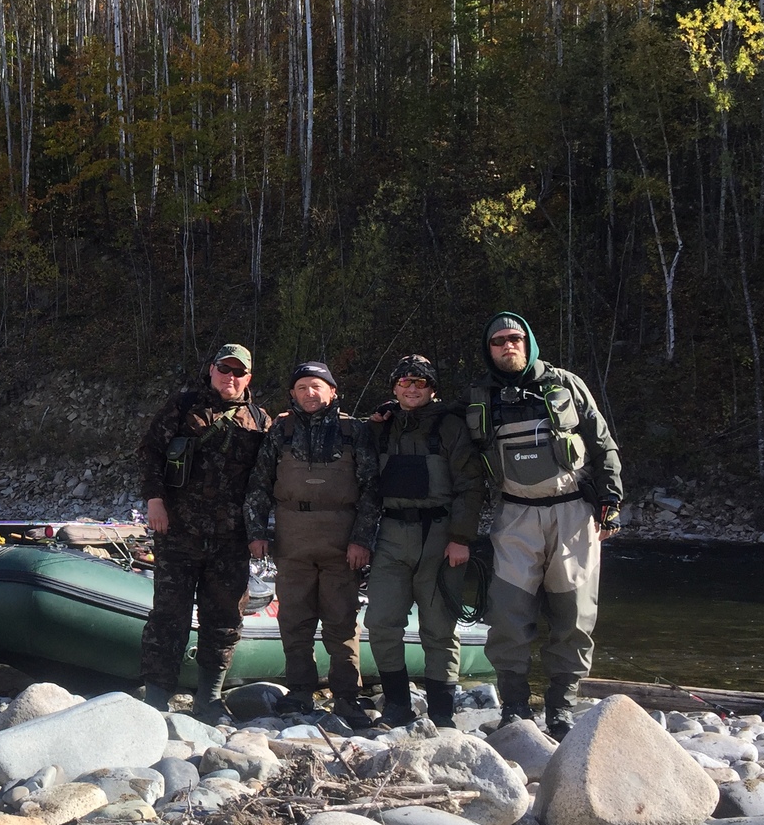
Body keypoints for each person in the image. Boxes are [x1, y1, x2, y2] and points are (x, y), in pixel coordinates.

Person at [468, 313, 622, 738]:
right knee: (508, 616)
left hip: (574, 512)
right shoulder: (477, 396)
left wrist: (611, 501)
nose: (507, 346)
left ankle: (562, 706)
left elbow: (602, 441)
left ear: (528, 342)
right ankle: (515, 706)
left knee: (573, 615)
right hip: (514, 514)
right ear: (489, 348)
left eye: (514, 338)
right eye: (498, 341)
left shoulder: (566, 384)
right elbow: (438, 430)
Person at [137, 344, 273, 725]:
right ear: (211, 370)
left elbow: (268, 480)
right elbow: (149, 454)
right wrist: (154, 501)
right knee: (168, 615)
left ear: (248, 377)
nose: (229, 377)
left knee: (226, 619)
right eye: (223, 369)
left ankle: (209, 698)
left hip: (231, 539)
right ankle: (157, 696)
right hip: (178, 531)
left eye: (237, 372)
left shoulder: (260, 422)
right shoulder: (182, 407)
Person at [247, 361, 380, 727]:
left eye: (317, 386)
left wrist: (361, 540)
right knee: (294, 620)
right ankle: (300, 692)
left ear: (332, 391)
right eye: (302, 387)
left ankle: (347, 696)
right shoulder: (281, 431)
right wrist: (257, 532)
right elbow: (259, 484)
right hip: (292, 539)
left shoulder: (355, 431)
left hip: (342, 541)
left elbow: (372, 490)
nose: (309, 393)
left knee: (342, 622)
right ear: (292, 393)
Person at [365, 355, 484, 727]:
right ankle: (397, 704)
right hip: (392, 536)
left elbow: (470, 484)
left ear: (432, 388)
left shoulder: (451, 426)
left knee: (438, 627)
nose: (412, 388)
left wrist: (461, 538)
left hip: (440, 536)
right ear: (394, 387)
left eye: (420, 382)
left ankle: (442, 712)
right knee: (381, 621)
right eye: (404, 382)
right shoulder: (380, 426)